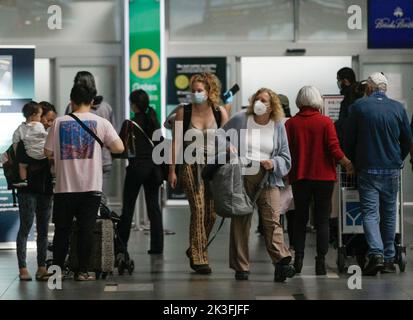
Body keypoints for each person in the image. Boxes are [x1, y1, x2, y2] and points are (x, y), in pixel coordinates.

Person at [45, 84, 124, 281]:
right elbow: (119, 148)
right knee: (86, 230)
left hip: (64, 187)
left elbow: (47, 152)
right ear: (92, 101)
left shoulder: (59, 122)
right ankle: (82, 272)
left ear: (71, 101)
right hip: (91, 188)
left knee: (62, 231)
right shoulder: (101, 122)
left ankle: (58, 271)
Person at [222, 88, 296, 282]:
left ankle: (281, 261)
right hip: (243, 175)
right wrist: (228, 146)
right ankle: (241, 267)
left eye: (263, 100)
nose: (259, 103)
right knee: (241, 220)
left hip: (268, 177)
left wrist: (274, 163)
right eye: (257, 99)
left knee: (272, 219)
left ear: (272, 106)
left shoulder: (278, 125)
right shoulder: (240, 119)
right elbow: (220, 135)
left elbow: (285, 157)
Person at [345, 73, 412, 276]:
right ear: (385, 88)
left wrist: (353, 162)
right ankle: (390, 257)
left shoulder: (358, 107)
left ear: (369, 88)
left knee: (370, 213)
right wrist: (397, 158)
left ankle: (376, 254)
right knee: (390, 213)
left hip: (368, 168)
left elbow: (349, 139)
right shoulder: (398, 108)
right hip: (391, 169)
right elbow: (408, 140)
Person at [285, 86, 354, 275]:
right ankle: (320, 262)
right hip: (324, 178)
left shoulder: (290, 124)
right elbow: (333, 147)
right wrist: (347, 163)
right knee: (322, 220)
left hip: (300, 177)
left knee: (300, 219)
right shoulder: (325, 122)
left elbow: (287, 152)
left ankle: (298, 259)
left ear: (299, 100)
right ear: (317, 100)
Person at [168, 73, 228, 274]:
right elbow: (176, 142)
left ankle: (195, 246)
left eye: (199, 90)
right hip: (190, 165)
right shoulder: (183, 112)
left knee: (211, 214)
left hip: (213, 167)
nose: (195, 94)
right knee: (199, 209)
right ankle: (199, 257)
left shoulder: (219, 112)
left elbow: (226, 141)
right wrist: (172, 171)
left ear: (209, 91)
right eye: (193, 90)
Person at [115, 89, 164, 258]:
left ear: (133, 105)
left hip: (136, 168)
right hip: (154, 169)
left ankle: (121, 246)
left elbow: (120, 148)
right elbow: (160, 145)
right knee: (154, 207)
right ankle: (157, 246)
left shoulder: (130, 123)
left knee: (128, 207)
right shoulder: (154, 121)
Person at [12, 101, 54, 281]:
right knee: (26, 227)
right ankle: (23, 268)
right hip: (28, 189)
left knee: (43, 229)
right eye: (47, 119)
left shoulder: (45, 134)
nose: (49, 123)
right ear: (38, 116)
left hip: (44, 187)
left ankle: (41, 267)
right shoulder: (35, 133)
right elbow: (16, 155)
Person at [65, 71, 115, 208]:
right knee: (101, 199)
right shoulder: (106, 107)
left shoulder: (71, 107)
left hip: (79, 161)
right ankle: (102, 227)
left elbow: (68, 137)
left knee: (80, 202)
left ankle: (84, 228)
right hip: (103, 158)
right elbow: (112, 137)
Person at [13, 103, 47, 187]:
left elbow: (15, 141)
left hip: (30, 154)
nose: (40, 118)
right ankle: (54, 175)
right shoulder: (39, 125)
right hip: (43, 154)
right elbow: (45, 135)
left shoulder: (20, 128)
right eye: (40, 115)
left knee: (22, 165)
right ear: (34, 115)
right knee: (52, 160)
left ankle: (23, 180)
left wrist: (16, 153)